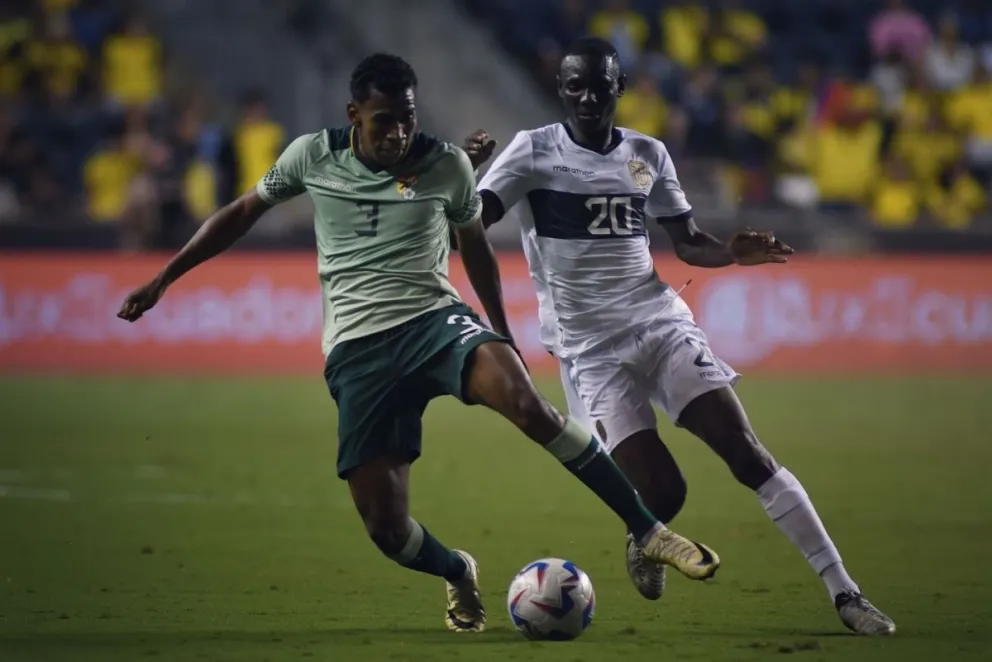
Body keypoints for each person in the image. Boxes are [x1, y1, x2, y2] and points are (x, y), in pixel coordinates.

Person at [117, 53, 720, 634]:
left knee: (527, 404)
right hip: (358, 349)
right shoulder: (311, 156)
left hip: (435, 323)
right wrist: (164, 278)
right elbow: (241, 212)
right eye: (384, 121)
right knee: (386, 528)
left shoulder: (446, 164)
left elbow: (475, 247)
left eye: (408, 118)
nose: (398, 133)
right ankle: (456, 570)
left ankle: (649, 531)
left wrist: (501, 332)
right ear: (354, 114)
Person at [467, 37, 895, 636]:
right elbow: (472, 220)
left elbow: (688, 242)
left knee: (747, 453)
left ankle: (846, 591)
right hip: (591, 352)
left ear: (620, 88)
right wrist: (461, 180)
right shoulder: (534, 151)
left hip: (660, 324)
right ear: (560, 89)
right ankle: (643, 537)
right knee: (664, 492)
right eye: (574, 87)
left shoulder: (646, 155)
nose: (587, 98)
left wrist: (730, 253)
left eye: (599, 86)